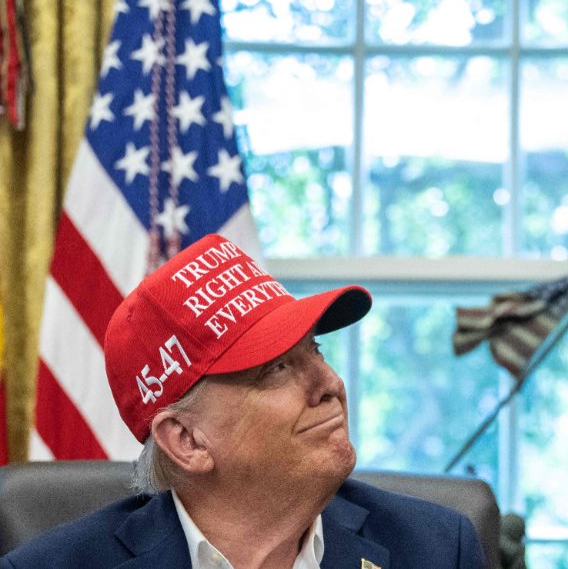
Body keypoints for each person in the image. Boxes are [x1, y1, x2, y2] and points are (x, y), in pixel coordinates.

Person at [3, 234, 486, 568]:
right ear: (187, 439)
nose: (330, 383)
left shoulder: (437, 550)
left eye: (315, 351)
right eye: (276, 368)